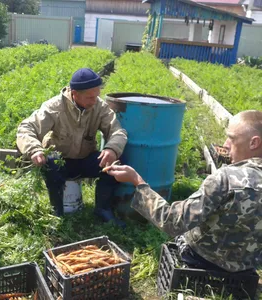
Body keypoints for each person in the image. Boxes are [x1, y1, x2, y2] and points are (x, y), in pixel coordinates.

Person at [106, 110, 262, 272]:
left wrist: (137, 182)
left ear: (253, 143)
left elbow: (173, 222)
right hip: (246, 267)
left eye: (231, 138)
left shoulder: (226, 179)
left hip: (203, 261)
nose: (225, 144)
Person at [16, 68, 128, 227]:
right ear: (74, 93)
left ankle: (103, 208)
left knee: (116, 162)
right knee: (51, 164)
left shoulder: (99, 107)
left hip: (85, 159)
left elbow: (118, 131)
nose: (94, 100)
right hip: (60, 161)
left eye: (97, 95)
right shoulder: (54, 107)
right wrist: (34, 149)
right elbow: (26, 128)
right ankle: (57, 212)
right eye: (90, 97)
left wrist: (112, 149)